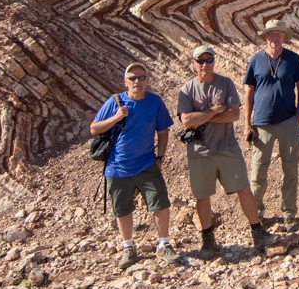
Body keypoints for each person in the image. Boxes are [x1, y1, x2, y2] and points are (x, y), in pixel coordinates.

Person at [177, 44, 280, 257]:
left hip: (227, 147)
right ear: (194, 63)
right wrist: (216, 109)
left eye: (209, 60)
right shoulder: (187, 89)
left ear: (214, 61)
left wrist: (201, 116)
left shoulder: (225, 84)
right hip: (199, 151)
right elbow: (187, 121)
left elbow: (233, 115)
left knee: (243, 189)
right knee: (202, 196)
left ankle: (257, 233)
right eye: (200, 61)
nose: (205, 65)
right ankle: (207, 240)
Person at [91, 62, 182, 269]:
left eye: (141, 77)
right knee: (122, 209)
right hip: (117, 166)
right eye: (132, 78)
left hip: (147, 163)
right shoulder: (115, 102)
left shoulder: (155, 102)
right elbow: (94, 128)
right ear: (125, 82)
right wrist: (116, 117)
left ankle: (163, 244)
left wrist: (160, 157)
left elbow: (163, 130)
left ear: (147, 80)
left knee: (160, 203)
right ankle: (128, 247)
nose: (137, 81)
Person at [243, 20, 299, 232]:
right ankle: (257, 213)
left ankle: (289, 214)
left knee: (290, 169)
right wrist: (247, 123)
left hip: (288, 121)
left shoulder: (293, 59)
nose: (275, 37)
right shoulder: (256, 60)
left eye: (279, 33)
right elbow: (248, 92)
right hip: (261, 124)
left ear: (284, 37)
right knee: (258, 170)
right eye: (271, 33)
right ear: (266, 37)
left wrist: (298, 115)